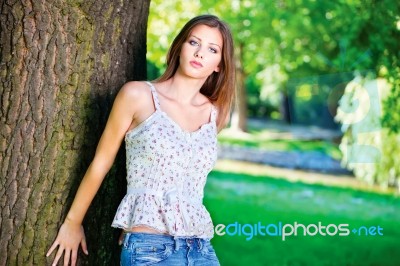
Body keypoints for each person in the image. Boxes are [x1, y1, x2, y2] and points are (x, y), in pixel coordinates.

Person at [47, 14, 235, 266]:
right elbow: (101, 163)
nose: (200, 53)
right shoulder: (137, 95)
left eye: (212, 49)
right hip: (151, 249)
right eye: (194, 43)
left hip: (201, 249)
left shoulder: (216, 113)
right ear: (180, 46)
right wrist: (72, 222)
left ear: (219, 65)